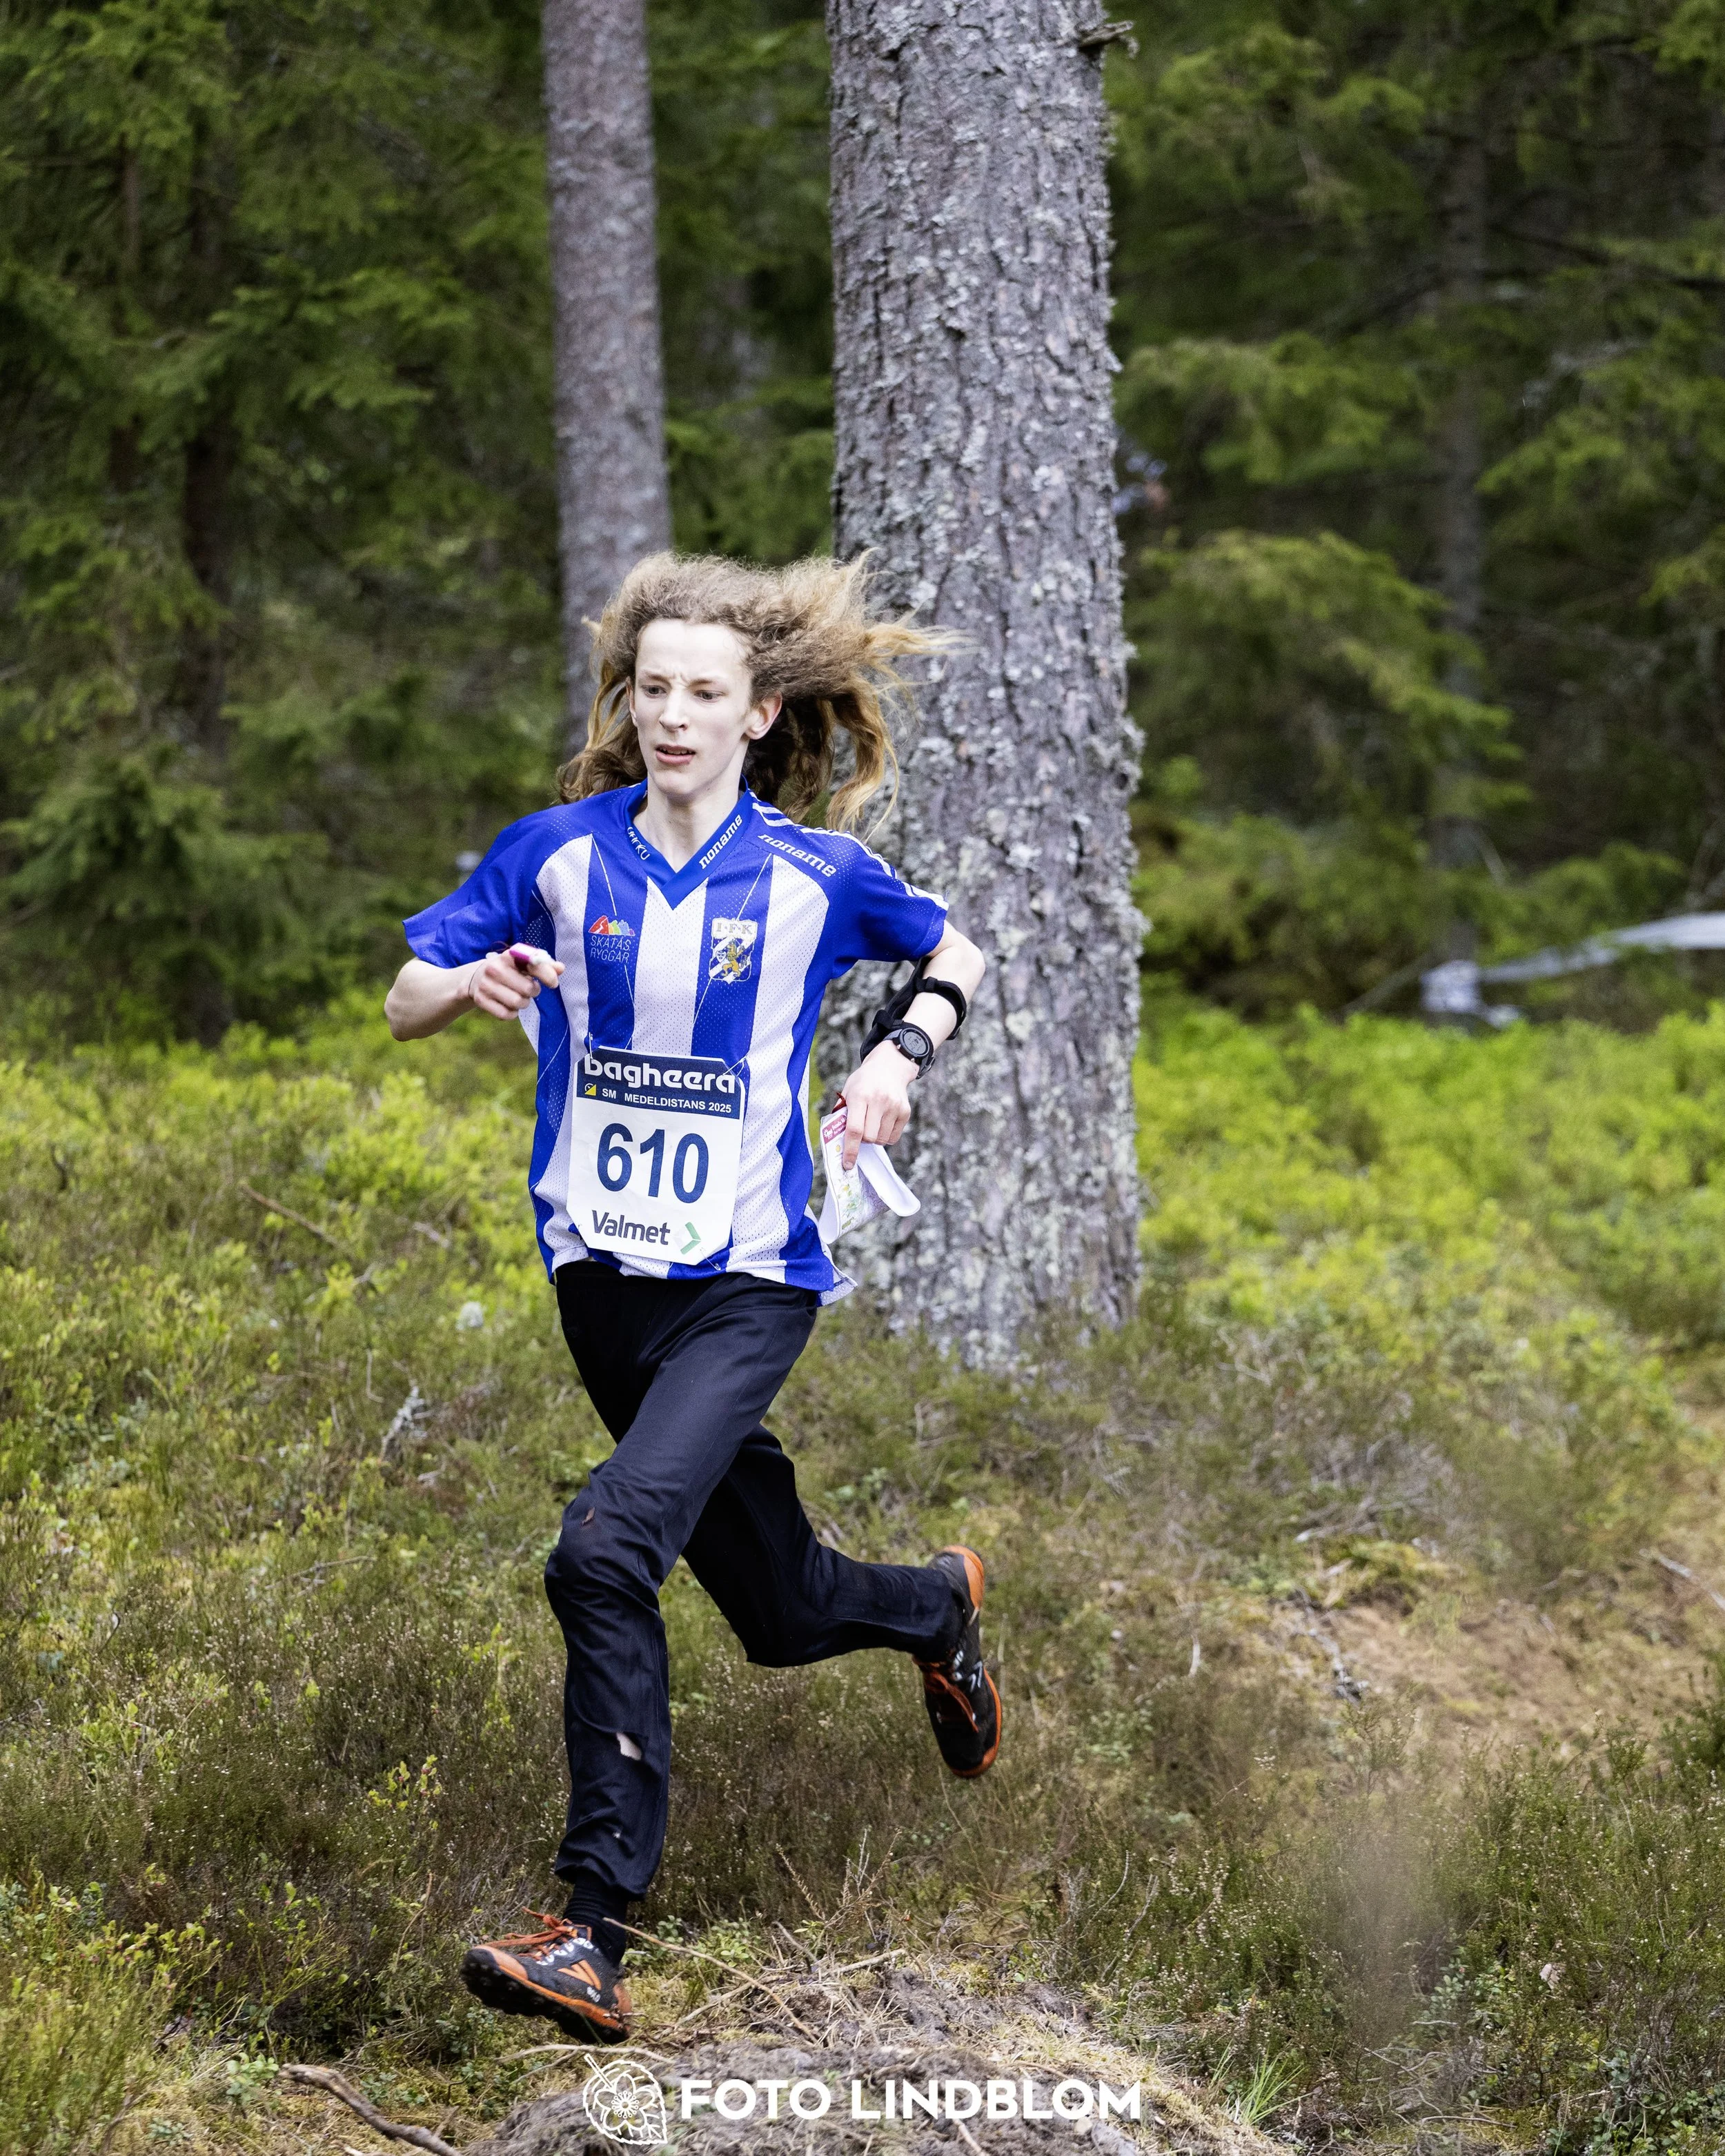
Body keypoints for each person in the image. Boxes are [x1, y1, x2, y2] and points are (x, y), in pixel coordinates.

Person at [384, 553, 998, 2044]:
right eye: (651, 688)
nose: (670, 715)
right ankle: (936, 1606)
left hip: (746, 1280)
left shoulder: (811, 876)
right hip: (603, 1285)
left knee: (601, 1553)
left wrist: (894, 1057)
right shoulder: (553, 857)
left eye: (702, 693)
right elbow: (404, 992)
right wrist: (465, 988)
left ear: (756, 712)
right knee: (779, 1612)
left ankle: (590, 1929)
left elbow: (957, 949)